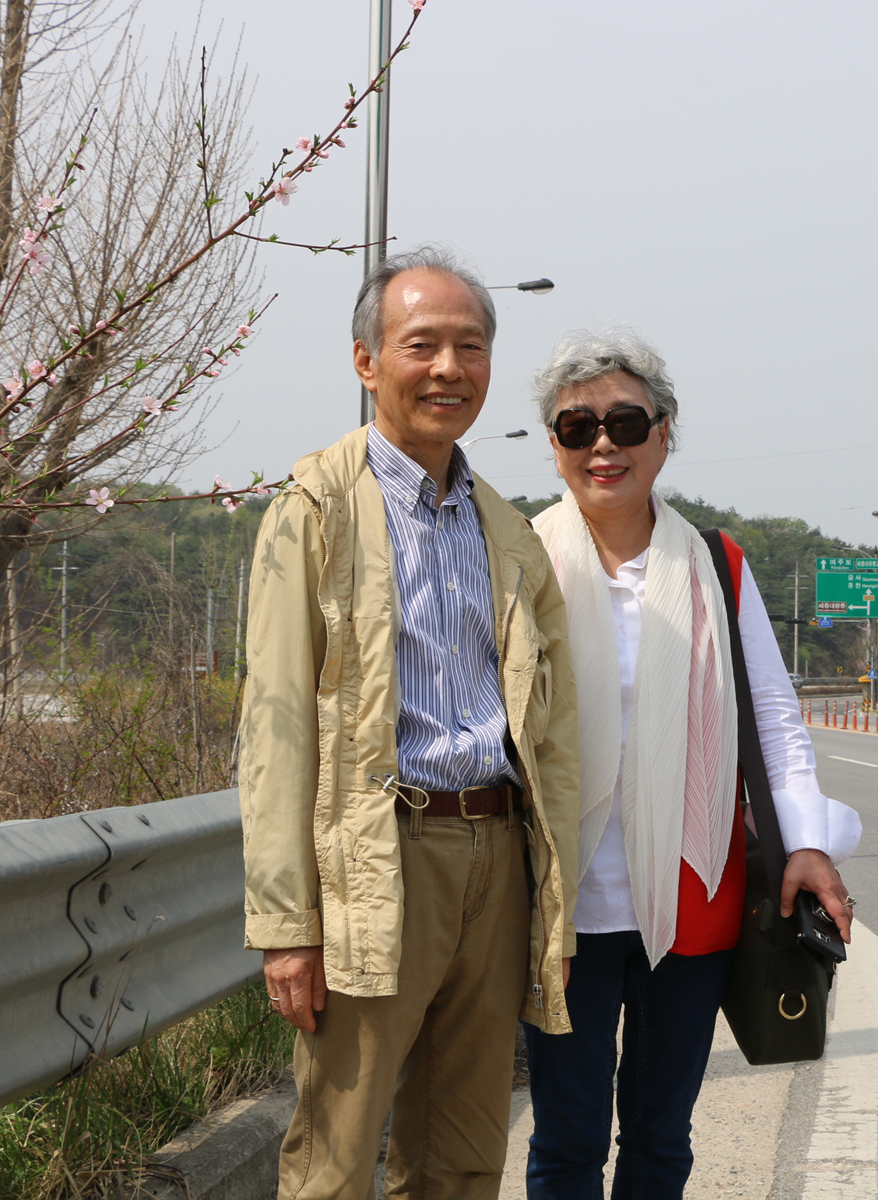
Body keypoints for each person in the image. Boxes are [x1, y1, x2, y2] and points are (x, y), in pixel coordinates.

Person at [239, 248, 581, 1200]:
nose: (448, 369)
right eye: (421, 345)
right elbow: (274, 733)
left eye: (470, 347)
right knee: (337, 1155)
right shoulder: (315, 509)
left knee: (464, 1153)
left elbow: (551, 736)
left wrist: (552, 899)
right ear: (366, 360)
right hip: (377, 857)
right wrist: (287, 925)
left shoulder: (506, 530)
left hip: (496, 855)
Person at [525, 329, 861, 1198]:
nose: (604, 445)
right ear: (555, 445)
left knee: (660, 1136)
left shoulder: (716, 563)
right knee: (565, 1140)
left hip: (692, 898)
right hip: (561, 905)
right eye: (578, 427)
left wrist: (806, 842)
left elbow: (773, 716)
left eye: (627, 423)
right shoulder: (518, 560)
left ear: (664, 434)